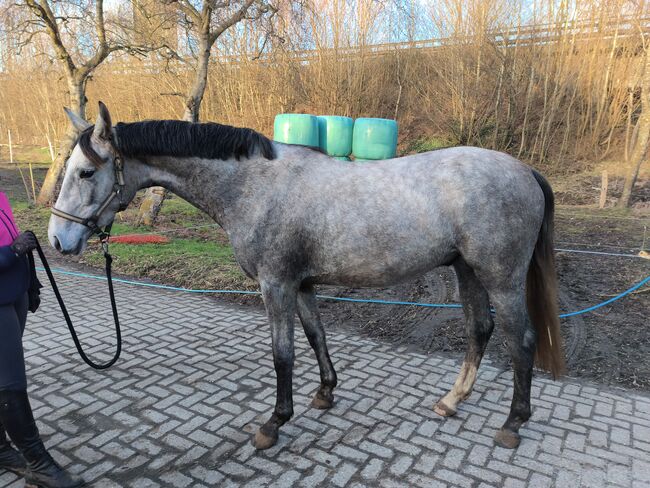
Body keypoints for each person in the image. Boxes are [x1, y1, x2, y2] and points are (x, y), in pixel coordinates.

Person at [0, 191, 84, 488]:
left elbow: (9, 236)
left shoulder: (1, 196)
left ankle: (0, 449)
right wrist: (12, 252)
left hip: (14, 293)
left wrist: (30, 282)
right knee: (10, 383)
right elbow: (10, 248)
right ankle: (39, 465)